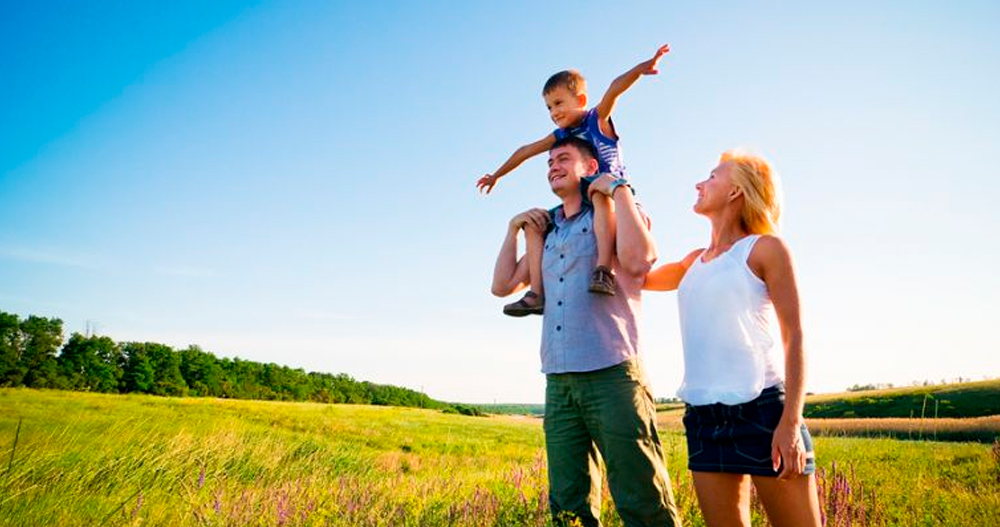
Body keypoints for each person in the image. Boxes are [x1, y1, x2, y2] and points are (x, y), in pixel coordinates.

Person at [490, 136, 682, 527]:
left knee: (641, 496)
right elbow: (503, 284)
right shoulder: (549, 231)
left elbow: (641, 258)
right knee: (567, 503)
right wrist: (512, 229)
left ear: (590, 168)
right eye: (548, 163)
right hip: (559, 381)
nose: (552, 166)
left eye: (563, 158)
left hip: (612, 373)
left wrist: (619, 189)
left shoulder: (612, 213)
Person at [644, 150, 821, 527]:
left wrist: (791, 421)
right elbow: (635, 276)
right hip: (704, 417)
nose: (699, 184)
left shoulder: (765, 249)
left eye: (711, 177)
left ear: (736, 191)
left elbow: (796, 335)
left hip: (764, 411)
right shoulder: (692, 261)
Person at [479, 45, 670, 316]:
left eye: (559, 103)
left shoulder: (596, 119)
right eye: (548, 107)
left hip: (609, 192)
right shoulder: (560, 135)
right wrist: (497, 174)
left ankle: (603, 269)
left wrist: (640, 69)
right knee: (536, 224)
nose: (554, 112)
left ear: (580, 100)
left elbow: (614, 89)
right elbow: (526, 150)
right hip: (581, 202)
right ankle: (537, 293)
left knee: (597, 193)